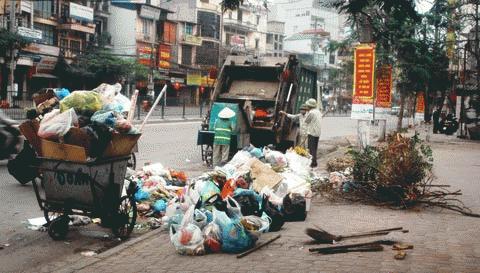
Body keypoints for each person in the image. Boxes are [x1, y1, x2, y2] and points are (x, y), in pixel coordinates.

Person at [304, 98, 323, 168]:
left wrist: (306, 112)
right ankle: (314, 162)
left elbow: (306, 121)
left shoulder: (311, 113)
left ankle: (312, 163)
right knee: (314, 148)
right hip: (317, 133)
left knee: (311, 148)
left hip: (312, 132)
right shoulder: (318, 111)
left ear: (309, 106)